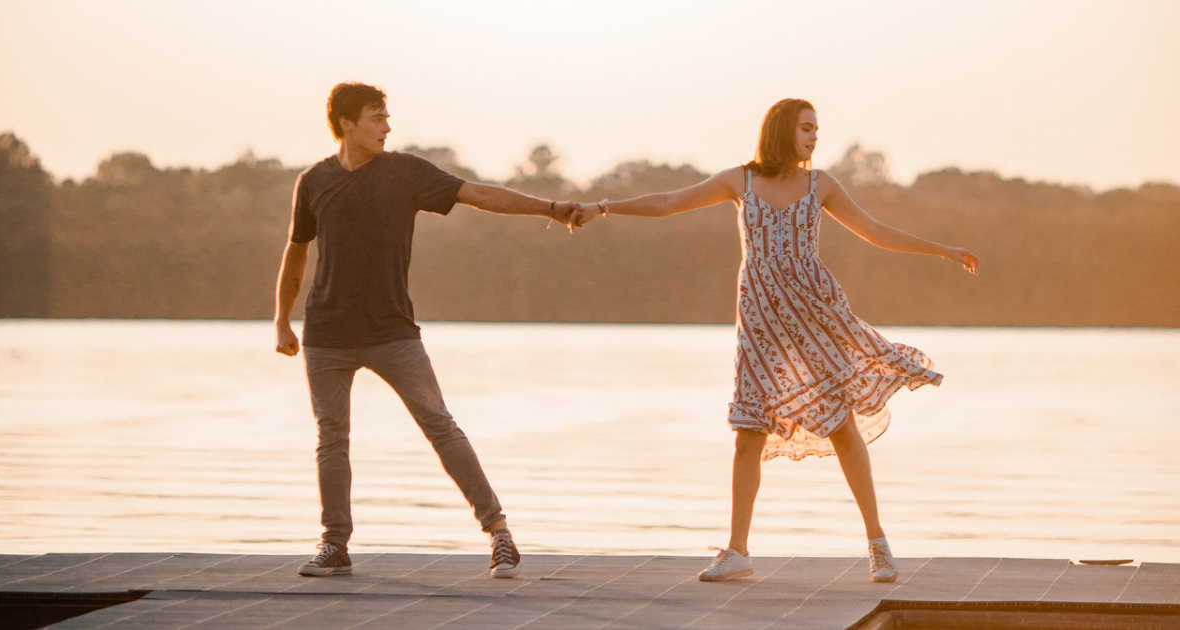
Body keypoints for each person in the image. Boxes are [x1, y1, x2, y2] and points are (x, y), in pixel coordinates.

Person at [571, 98, 978, 583]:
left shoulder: (820, 184)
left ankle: (878, 545)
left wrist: (941, 250)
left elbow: (873, 231)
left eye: (817, 129)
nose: (814, 137)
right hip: (761, 322)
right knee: (749, 430)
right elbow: (667, 203)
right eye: (807, 128)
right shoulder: (738, 181)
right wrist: (603, 206)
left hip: (816, 313)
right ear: (783, 130)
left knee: (842, 426)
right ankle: (737, 550)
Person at [274, 82, 581, 579]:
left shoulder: (406, 172)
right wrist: (282, 319)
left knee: (440, 425)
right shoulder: (313, 181)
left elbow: (480, 194)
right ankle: (335, 544)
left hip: (393, 332)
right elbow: (296, 251)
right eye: (377, 117)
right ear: (346, 123)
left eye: (387, 117)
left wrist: (549, 208)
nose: (387, 126)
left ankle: (499, 533)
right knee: (332, 438)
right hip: (326, 333)